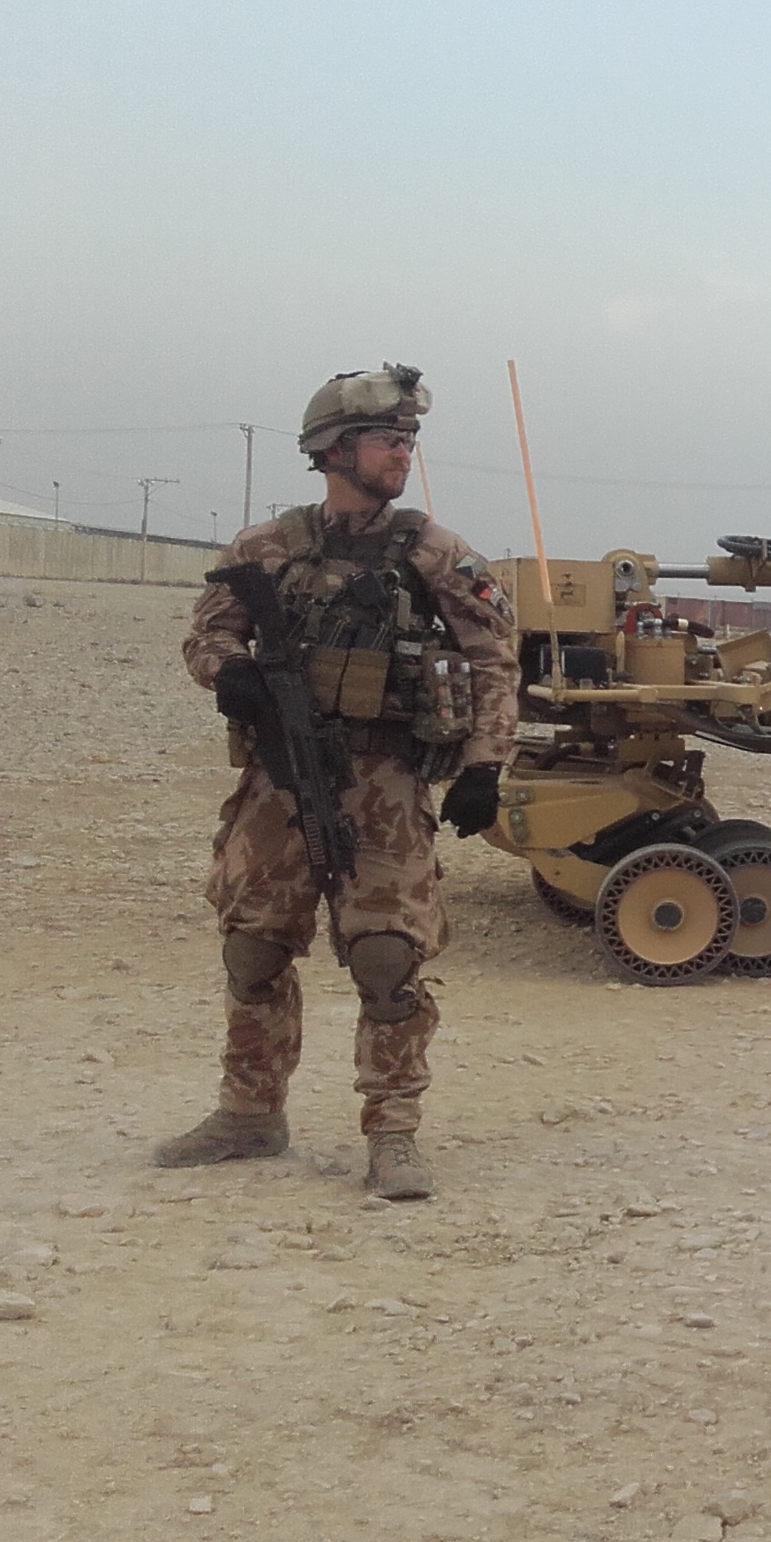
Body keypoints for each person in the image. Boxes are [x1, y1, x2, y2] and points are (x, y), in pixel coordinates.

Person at [156, 364, 519, 1198]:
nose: (403, 454)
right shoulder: (265, 548)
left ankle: (393, 1132)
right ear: (333, 451)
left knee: (387, 958)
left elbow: (495, 660)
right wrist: (229, 672)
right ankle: (250, 1114)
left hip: (386, 781)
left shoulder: (437, 553)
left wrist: (484, 767)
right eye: (388, 440)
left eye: (409, 441)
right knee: (252, 948)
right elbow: (206, 635)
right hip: (278, 777)